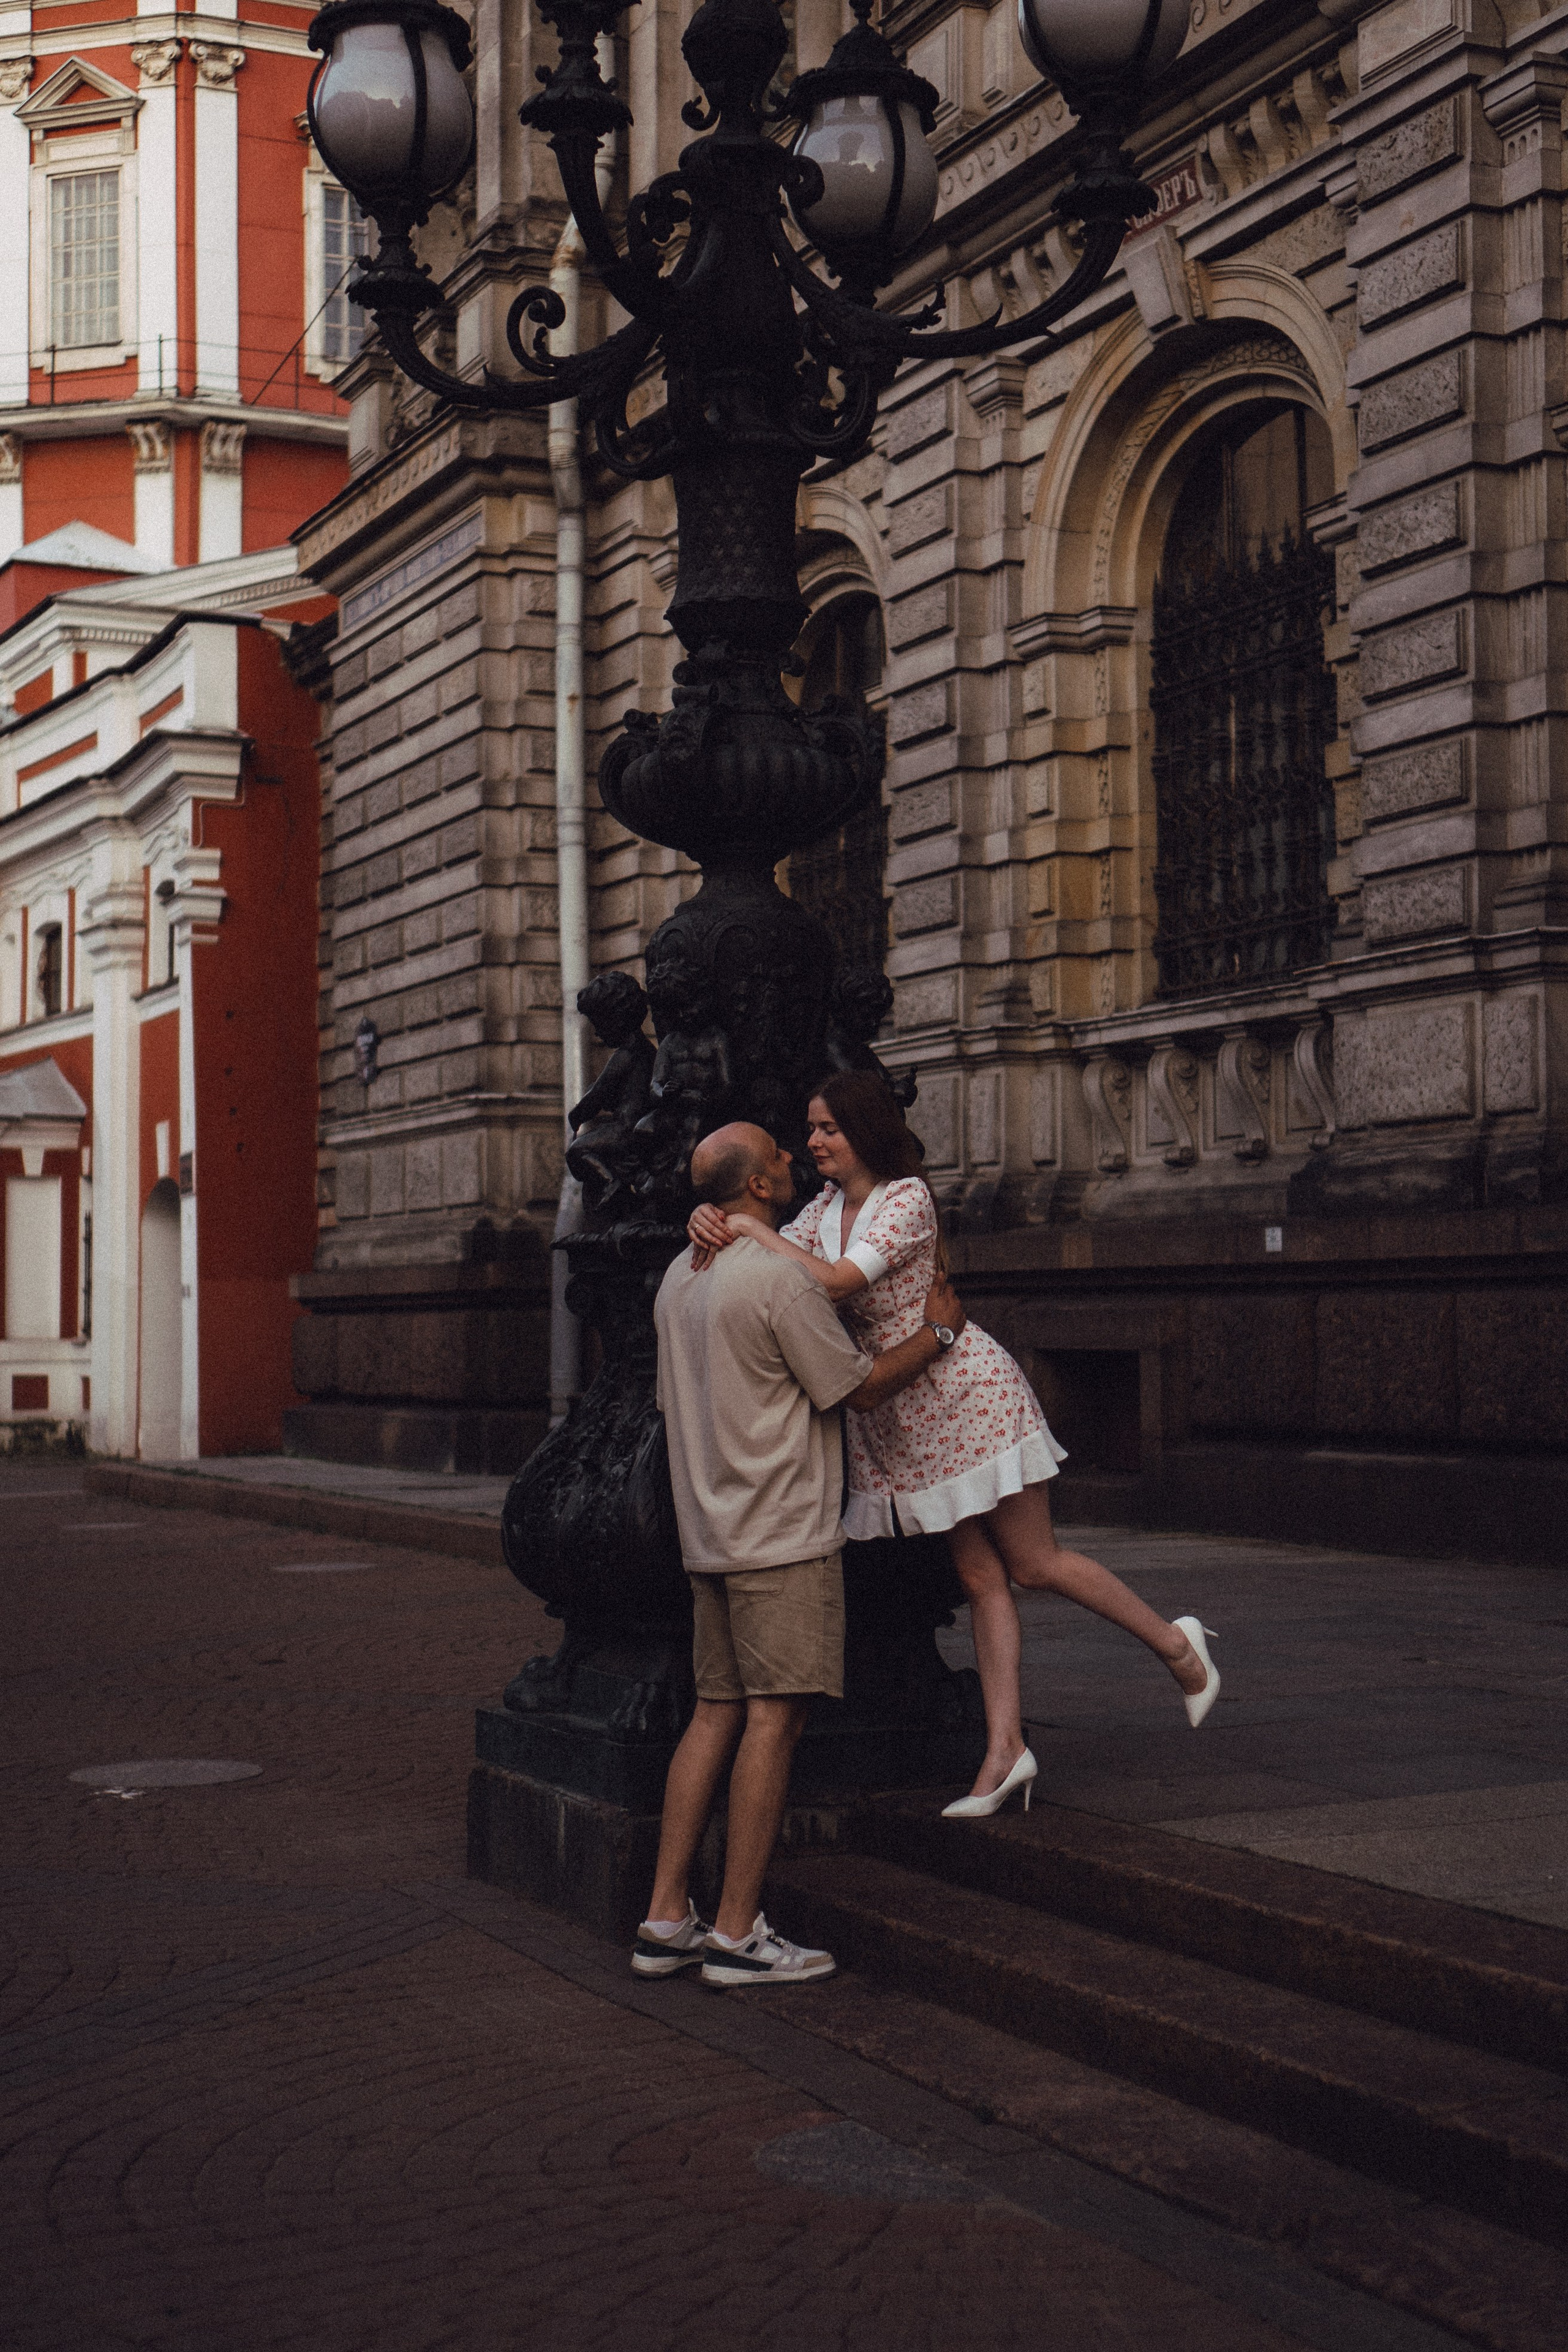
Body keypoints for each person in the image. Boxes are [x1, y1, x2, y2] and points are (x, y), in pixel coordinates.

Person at [688, 1071, 1219, 1820]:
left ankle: (1176, 1645)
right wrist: (711, 1222)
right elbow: (784, 1262)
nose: (812, 1143)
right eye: (808, 1130)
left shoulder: (903, 1199)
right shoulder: (818, 1210)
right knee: (977, 1578)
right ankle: (1005, 1751)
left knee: (1034, 1563)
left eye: (827, 1129)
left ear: (864, 1131)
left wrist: (745, 1228)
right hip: (903, 1412)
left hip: (963, 1393)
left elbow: (834, 1284)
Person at [635, 1118, 970, 1986]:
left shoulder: (679, 1277)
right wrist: (934, 1336)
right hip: (781, 1533)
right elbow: (854, 1388)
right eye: (779, 1156)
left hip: (708, 1531)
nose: (794, 1158)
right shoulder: (779, 1285)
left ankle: (666, 1915)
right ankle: (739, 1935)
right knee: (773, 1724)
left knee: (712, 1716)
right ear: (753, 1187)